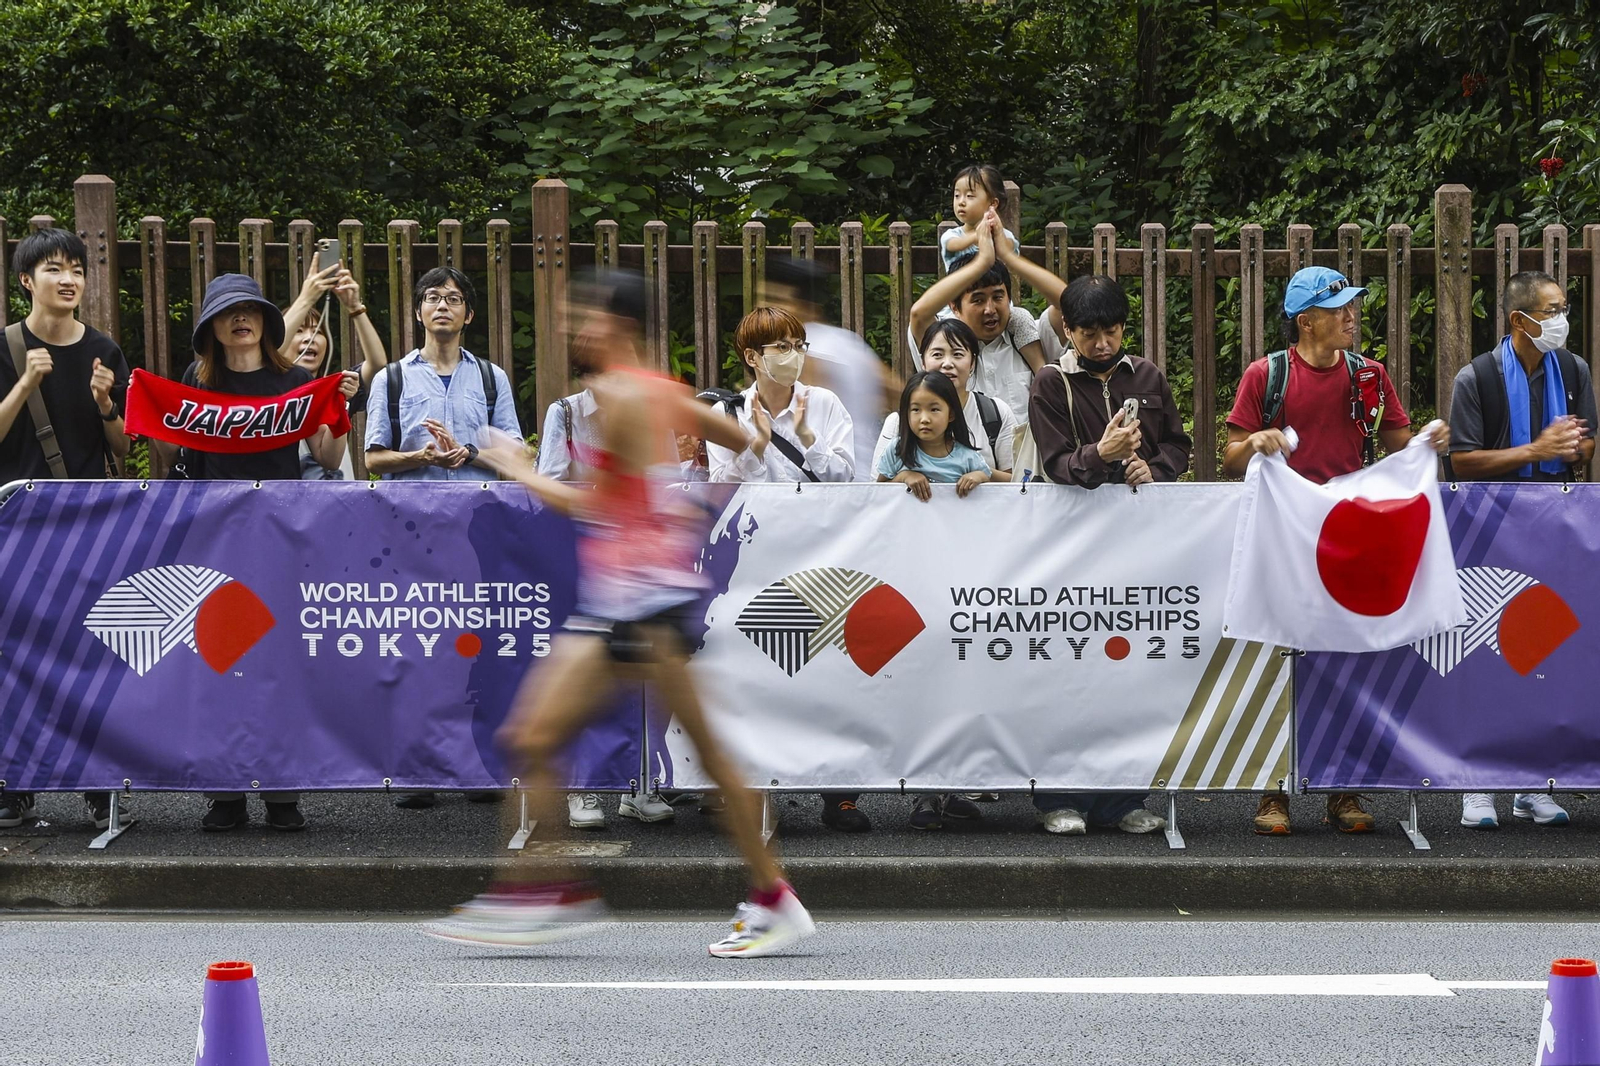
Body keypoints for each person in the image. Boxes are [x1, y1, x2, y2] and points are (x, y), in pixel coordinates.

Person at [423, 273, 815, 957]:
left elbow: (589, 506)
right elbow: (736, 431)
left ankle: (548, 889)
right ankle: (762, 896)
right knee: (563, 742)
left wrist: (516, 466)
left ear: (617, 326)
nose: (576, 329)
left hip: (636, 606)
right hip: (640, 599)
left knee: (540, 739)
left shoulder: (625, 396)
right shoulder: (656, 388)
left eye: (585, 317)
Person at [1223, 265, 1448, 836]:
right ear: (1305, 321)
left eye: (1352, 305)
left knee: (1349, 657)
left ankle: (1342, 789)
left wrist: (1428, 440)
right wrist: (1255, 442)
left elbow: (1401, 446)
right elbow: (1228, 458)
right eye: (1339, 308)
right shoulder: (1266, 375)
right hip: (1284, 533)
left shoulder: (1370, 375)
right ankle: (1272, 793)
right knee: (1281, 658)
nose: (1352, 316)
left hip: (1346, 532)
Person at [154, 273, 360, 830]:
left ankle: (282, 794)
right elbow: (169, 444)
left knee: (279, 667)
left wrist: (337, 408)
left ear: (266, 323)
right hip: (212, 544)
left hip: (280, 543)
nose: (239, 319)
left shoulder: (295, 379)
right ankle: (224, 794)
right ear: (210, 329)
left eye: (249, 310)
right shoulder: (194, 383)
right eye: (227, 312)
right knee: (218, 664)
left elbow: (326, 449)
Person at [1012, 273, 1185, 835]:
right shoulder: (1048, 383)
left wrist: (1150, 469)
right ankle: (1058, 799)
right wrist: (1101, 453)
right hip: (1068, 551)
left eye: (1111, 331)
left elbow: (1179, 446)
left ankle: (1122, 801)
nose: (1103, 344)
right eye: (1089, 333)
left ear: (1123, 328)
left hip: (1135, 551)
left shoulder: (1149, 377)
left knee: (1130, 669)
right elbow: (1058, 465)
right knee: (1066, 668)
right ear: (1067, 330)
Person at [705, 307, 867, 833]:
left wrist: (806, 438)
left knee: (829, 671)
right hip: (755, 560)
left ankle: (840, 792)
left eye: (798, 344)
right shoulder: (726, 412)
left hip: (821, 556)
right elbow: (720, 488)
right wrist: (754, 445)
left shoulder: (825, 404)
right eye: (781, 347)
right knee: (755, 672)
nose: (793, 355)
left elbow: (848, 479)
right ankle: (753, 788)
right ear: (753, 357)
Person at [1445, 270, 1592, 830]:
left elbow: (1589, 438)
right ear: (1519, 320)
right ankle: (1477, 786)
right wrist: (1535, 448)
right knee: (1485, 656)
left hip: (1554, 531)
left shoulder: (1573, 371)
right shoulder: (1476, 378)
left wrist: (1574, 445)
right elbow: (1462, 461)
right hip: (1489, 534)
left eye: (1563, 308)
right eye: (1551, 311)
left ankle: (1531, 784)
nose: (1560, 320)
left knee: (1543, 655)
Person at [0, 228, 132, 833]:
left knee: (90, 654)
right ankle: (14, 785)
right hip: (15, 527)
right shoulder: (5, 348)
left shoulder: (103, 347)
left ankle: (95, 784)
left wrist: (107, 405)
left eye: (76, 269)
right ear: (27, 281)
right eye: (54, 269)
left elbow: (126, 449)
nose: (69, 279)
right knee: (14, 656)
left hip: (87, 529)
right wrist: (26, 383)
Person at [537, 352, 677, 830]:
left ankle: (640, 787)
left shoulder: (650, 410)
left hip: (644, 568)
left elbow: (670, 484)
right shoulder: (567, 412)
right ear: (588, 376)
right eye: (606, 373)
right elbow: (551, 484)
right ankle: (583, 790)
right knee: (587, 684)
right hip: (585, 562)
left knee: (643, 680)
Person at [875, 371, 994, 830]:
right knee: (919, 687)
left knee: (957, 688)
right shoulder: (897, 452)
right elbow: (873, 494)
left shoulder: (966, 456)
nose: (924, 418)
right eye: (915, 409)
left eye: (934, 409)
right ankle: (925, 792)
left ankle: (955, 787)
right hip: (911, 584)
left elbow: (990, 475)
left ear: (952, 414)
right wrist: (903, 477)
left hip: (958, 586)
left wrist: (979, 478)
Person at [364, 266, 520, 483]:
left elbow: (515, 456)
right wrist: (422, 457)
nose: (443, 306)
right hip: (410, 511)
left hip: (477, 510)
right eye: (433, 297)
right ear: (419, 313)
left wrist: (468, 453)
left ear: (469, 316)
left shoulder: (492, 377)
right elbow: (373, 459)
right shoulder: (390, 378)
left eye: (454, 299)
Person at [909, 210, 1043, 429]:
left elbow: (1067, 305)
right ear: (954, 306)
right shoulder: (942, 348)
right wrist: (982, 263)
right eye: (978, 300)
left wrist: (1009, 258)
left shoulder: (1027, 332)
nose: (990, 309)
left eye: (998, 296)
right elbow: (918, 314)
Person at [763, 255, 894, 476]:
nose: (765, 309)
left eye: (775, 300)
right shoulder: (849, 343)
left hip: (824, 483)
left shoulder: (799, 354)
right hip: (864, 473)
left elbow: (809, 423)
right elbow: (901, 394)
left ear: (805, 306)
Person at [279, 260, 390, 479]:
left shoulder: (339, 387)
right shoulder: (265, 390)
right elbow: (270, 350)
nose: (309, 338)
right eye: (299, 330)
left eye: (317, 331)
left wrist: (355, 308)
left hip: (337, 504)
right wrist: (306, 297)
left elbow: (377, 365)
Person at [872, 318, 1017, 481]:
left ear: (972, 363)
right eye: (937, 355)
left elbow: (1015, 486)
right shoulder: (897, 423)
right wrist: (903, 476)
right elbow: (875, 491)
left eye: (957, 354)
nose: (947, 363)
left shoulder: (995, 413)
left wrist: (975, 470)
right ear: (923, 363)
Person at [940, 164, 1020, 274]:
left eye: (969, 196)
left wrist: (997, 233)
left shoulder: (1004, 236)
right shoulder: (952, 235)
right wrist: (978, 235)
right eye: (957, 195)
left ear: (992, 203)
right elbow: (953, 245)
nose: (961, 202)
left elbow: (1008, 249)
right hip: (963, 291)